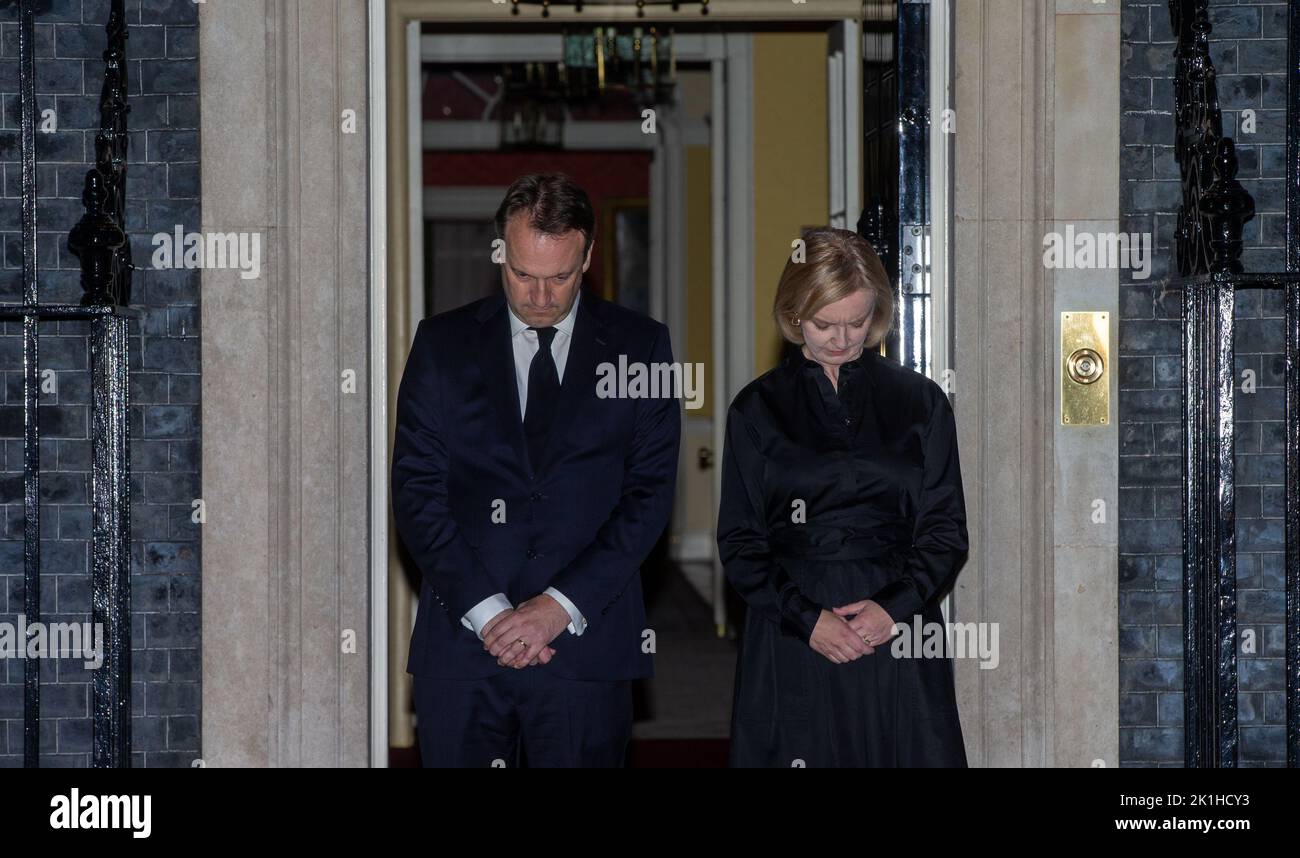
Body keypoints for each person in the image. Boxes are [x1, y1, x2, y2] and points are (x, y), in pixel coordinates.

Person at [391, 173, 681, 767]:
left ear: (589, 258)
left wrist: (556, 608)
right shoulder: (440, 344)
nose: (541, 296)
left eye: (561, 277)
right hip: (465, 644)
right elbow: (417, 492)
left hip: (585, 646)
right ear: (499, 252)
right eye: (523, 275)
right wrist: (492, 614)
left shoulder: (642, 347)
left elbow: (648, 497)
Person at [717, 227, 969, 767]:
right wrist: (807, 619)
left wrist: (894, 609)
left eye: (857, 322)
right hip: (793, 629)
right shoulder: (756, 409)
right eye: (824, 324)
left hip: (899, 628)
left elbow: (946, 529)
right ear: (793, 314)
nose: (841, 339)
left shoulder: (921, 402)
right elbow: (740, 542)